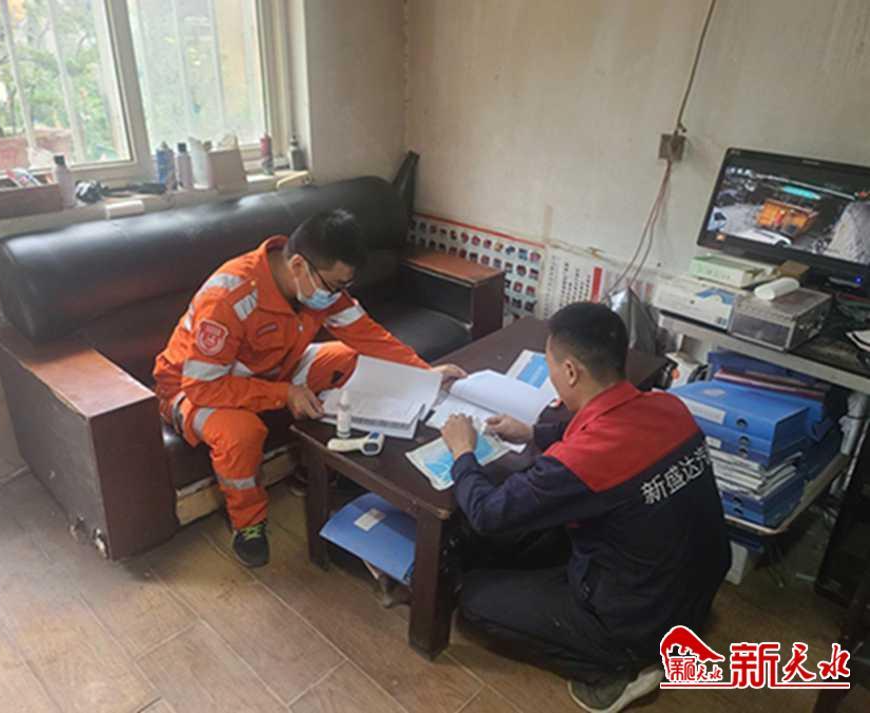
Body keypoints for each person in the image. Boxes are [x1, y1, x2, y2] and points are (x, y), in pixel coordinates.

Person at [440, 302, 730, 713]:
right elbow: (604, 429)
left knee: (476, 600)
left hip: (639, 619)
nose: (553, 377)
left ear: (571, 371)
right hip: (695, 587)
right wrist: (534, 432)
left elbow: (489, 514)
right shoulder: (669, 407)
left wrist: (462, 452)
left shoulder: (582, 462)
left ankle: (621, 667)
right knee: (541, 534)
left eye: (551, 366)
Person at [154, 209, 464, 567]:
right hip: (192, 387)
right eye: (334, 286)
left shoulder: (320, 286)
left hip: (273, 369)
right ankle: (248, 524)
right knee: (241, 433)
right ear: (298, 265)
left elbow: (369, 337)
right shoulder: (229, 297)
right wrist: (283, 394)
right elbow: (203, 386)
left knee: (349, 359)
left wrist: (425, 374)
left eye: (345, 286)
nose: (337, 295)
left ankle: (314, 468)